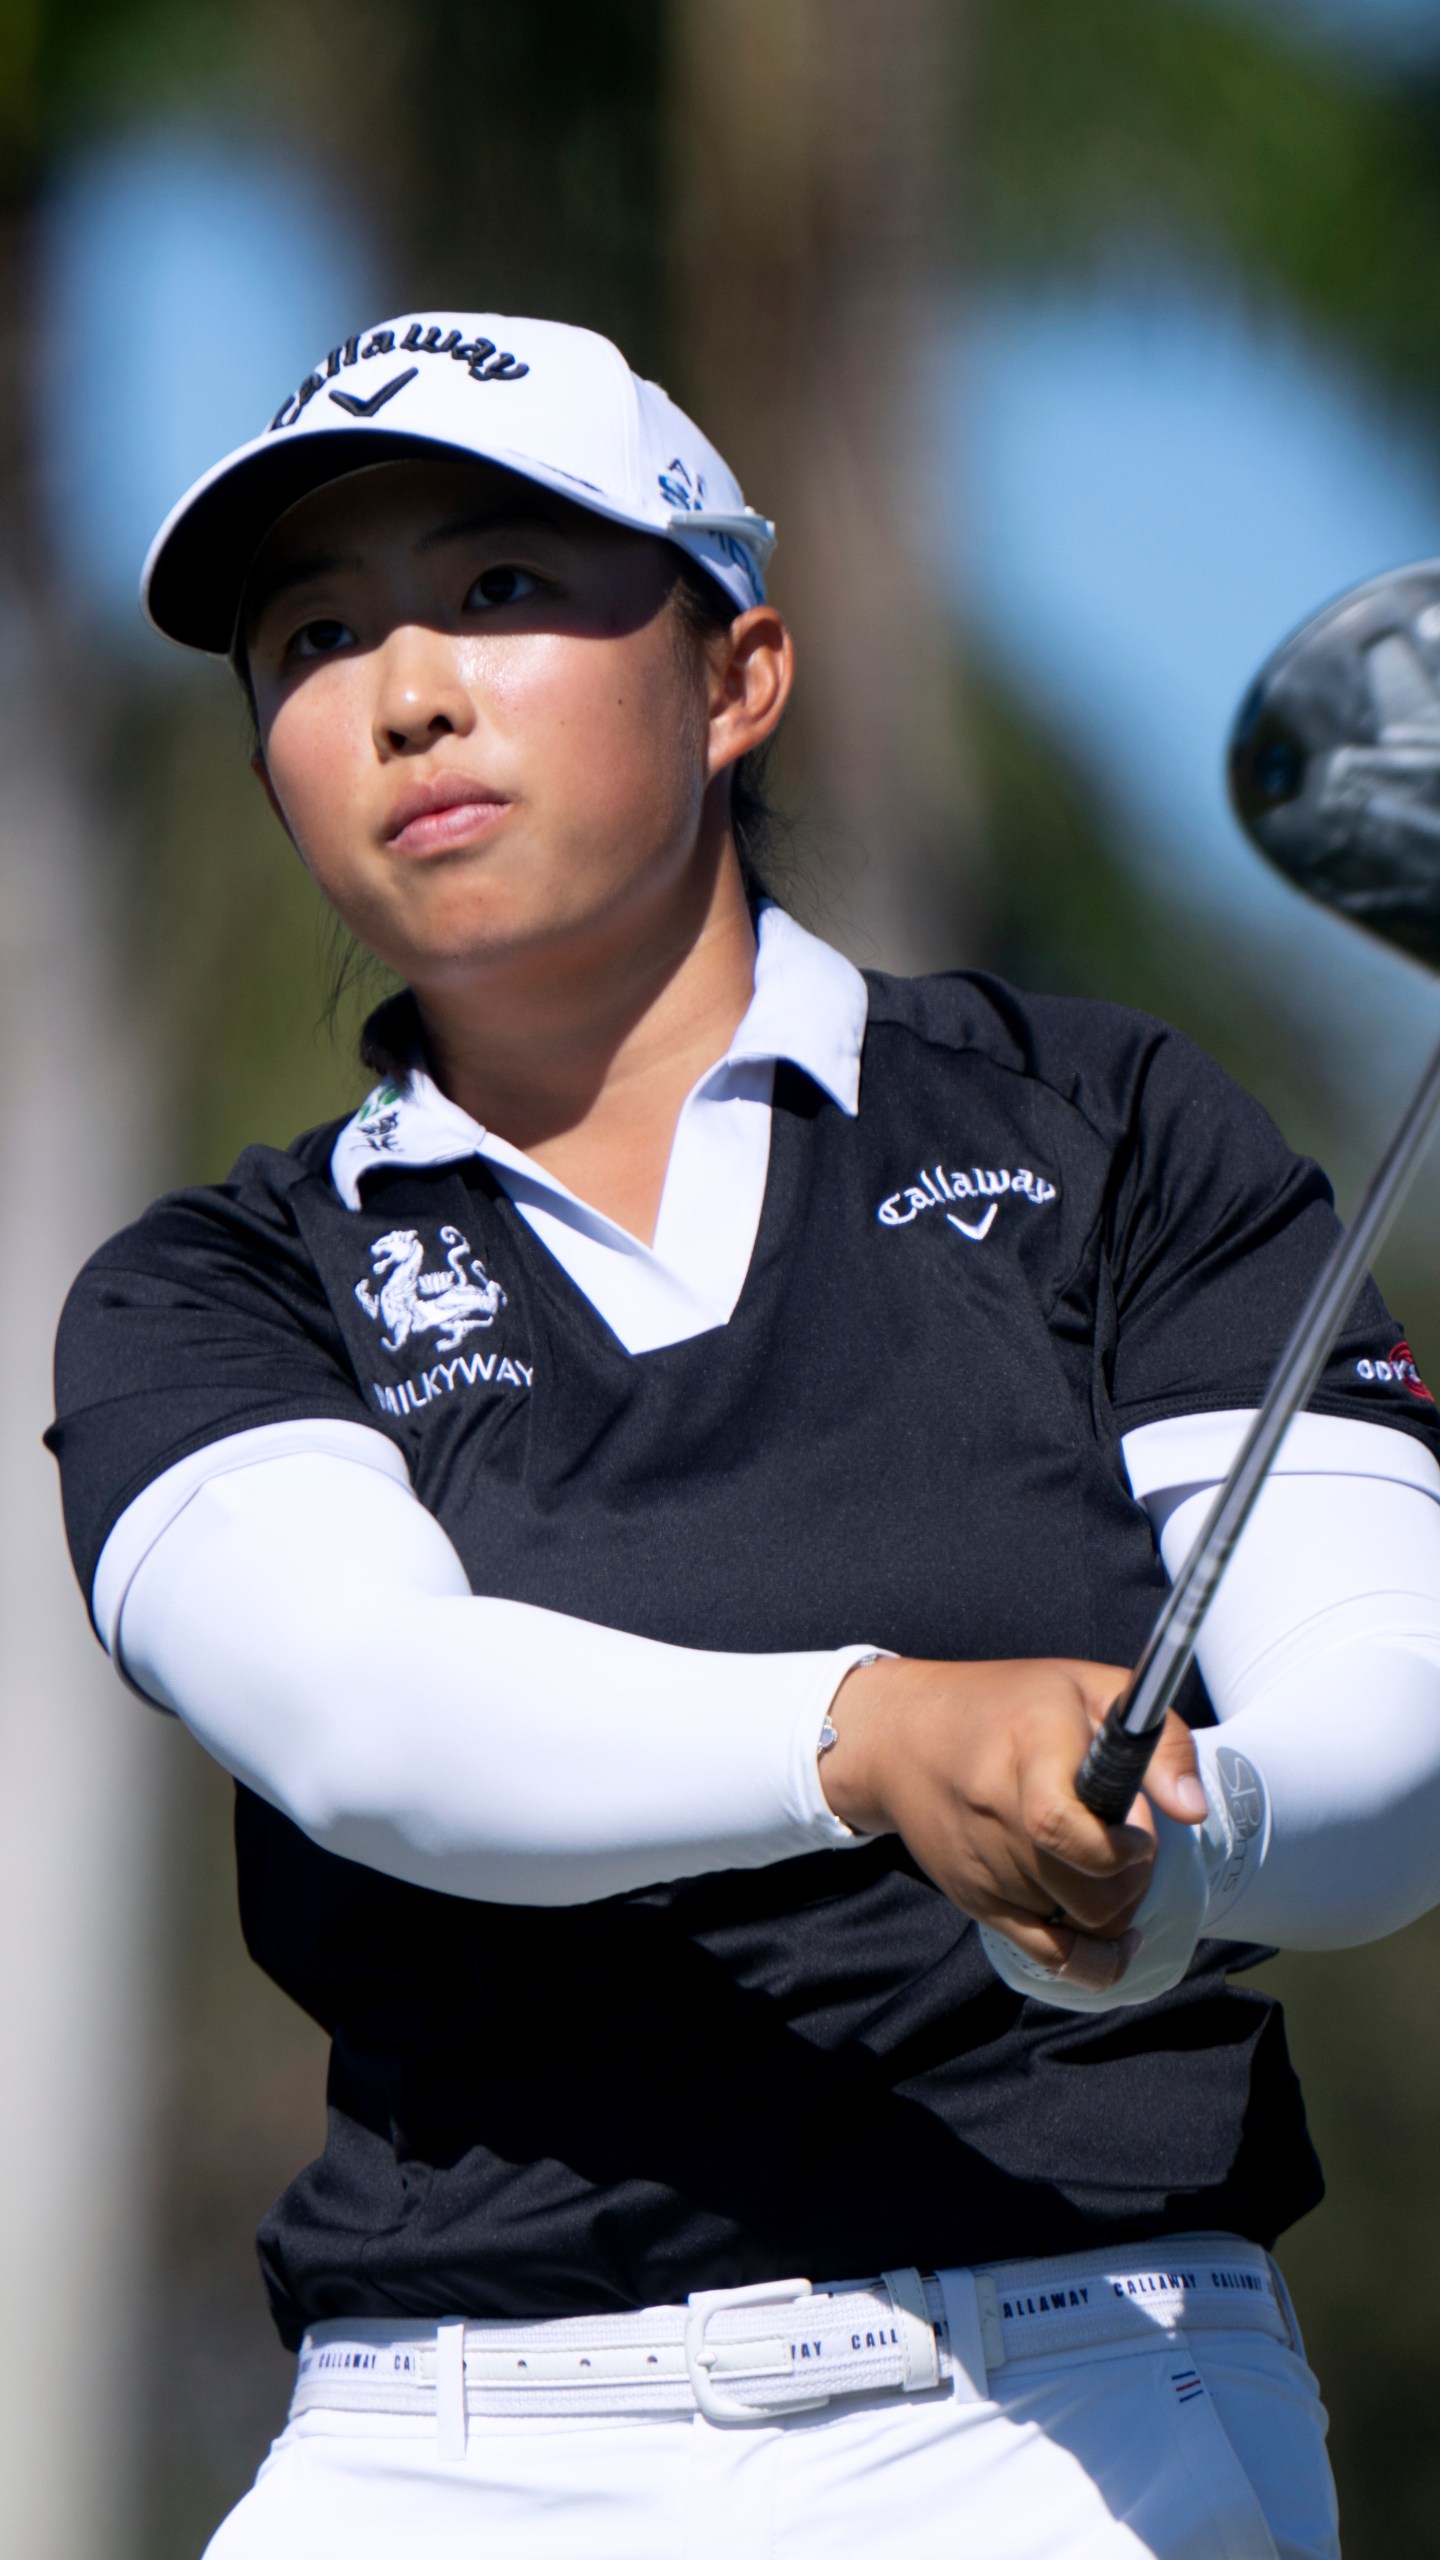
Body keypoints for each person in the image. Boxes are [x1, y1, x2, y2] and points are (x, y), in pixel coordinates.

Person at [47, 309, 1440, 2560]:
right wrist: (872, 1734)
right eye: (315, 635)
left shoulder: (1108, 1134)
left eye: (503, 589)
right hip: (444, 2444)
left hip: (1076, 2415)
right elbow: (375, 1717)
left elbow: (1399, 1711)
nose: (406, 690)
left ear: (738, 675)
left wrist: (1176, 1847)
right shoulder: (215, 1286)